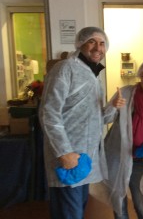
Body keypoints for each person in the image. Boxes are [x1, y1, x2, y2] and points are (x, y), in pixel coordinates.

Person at [39, 27, 113, 219]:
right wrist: (64, 152)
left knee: (76, 210)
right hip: (68, 157)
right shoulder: (65, 68)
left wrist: (114, 107)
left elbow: (98, 120)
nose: (98, 47)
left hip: (84, 160)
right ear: (80, 44)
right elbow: (49, 112)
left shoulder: (93, 75)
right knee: (69, 213)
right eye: (92, 41)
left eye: (102, 43)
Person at [102, 60, 143, 219]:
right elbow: (104, 118)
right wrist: (113, 106)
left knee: (141, 200)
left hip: (141, 157)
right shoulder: (125, 93)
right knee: (119, 199)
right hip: (117, 154)